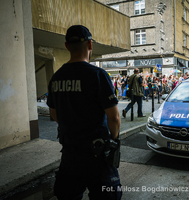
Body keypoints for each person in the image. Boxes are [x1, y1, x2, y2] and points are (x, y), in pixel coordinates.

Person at [46, 25, 122, 200]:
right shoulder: (97, 75)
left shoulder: (56, 77)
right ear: (90, 45)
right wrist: (114, 139)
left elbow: (54, 114)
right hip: (97, 155)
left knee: (68, 195)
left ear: (67, 46)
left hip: (70, 153)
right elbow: (114, 117)